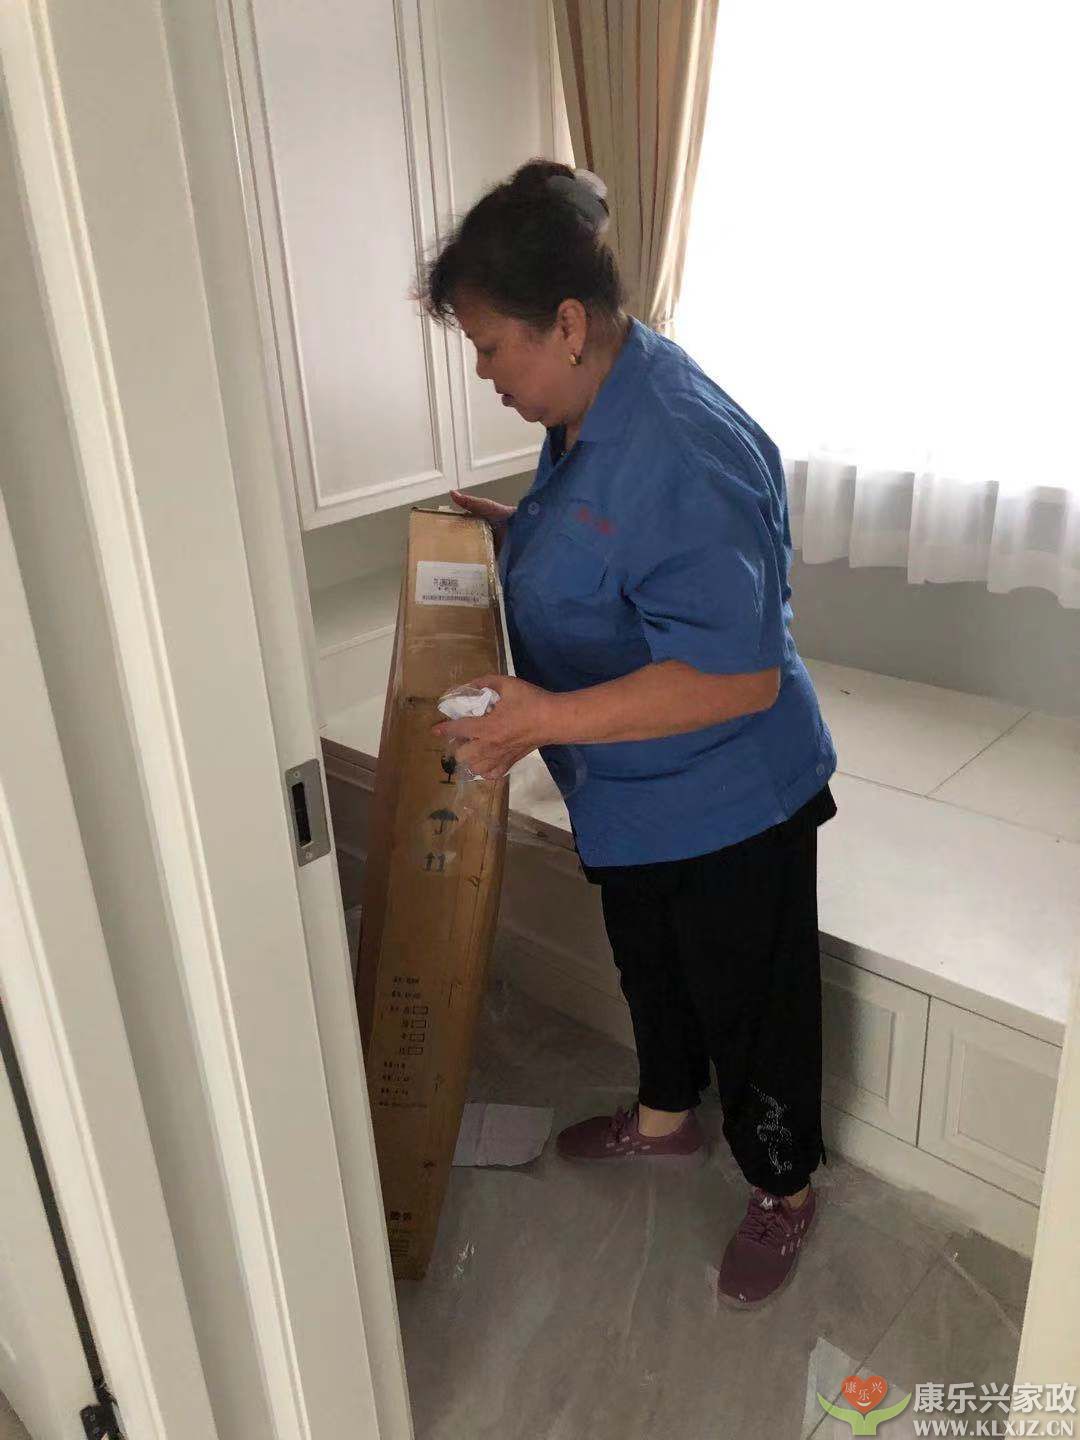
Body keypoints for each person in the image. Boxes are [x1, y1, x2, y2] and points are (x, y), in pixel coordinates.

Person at [420, 159, 838, 1308]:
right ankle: (666, 1120)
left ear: (565, 323)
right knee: (652, 964)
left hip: (728, 796)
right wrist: (517, 535)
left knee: (752, 1004)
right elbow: (610, 539)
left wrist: (544, 717)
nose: (484, 372)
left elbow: (738, 676)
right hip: (632, 792)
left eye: (491, 347)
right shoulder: (595, 397)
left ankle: (783, 1187)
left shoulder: (680, 447)